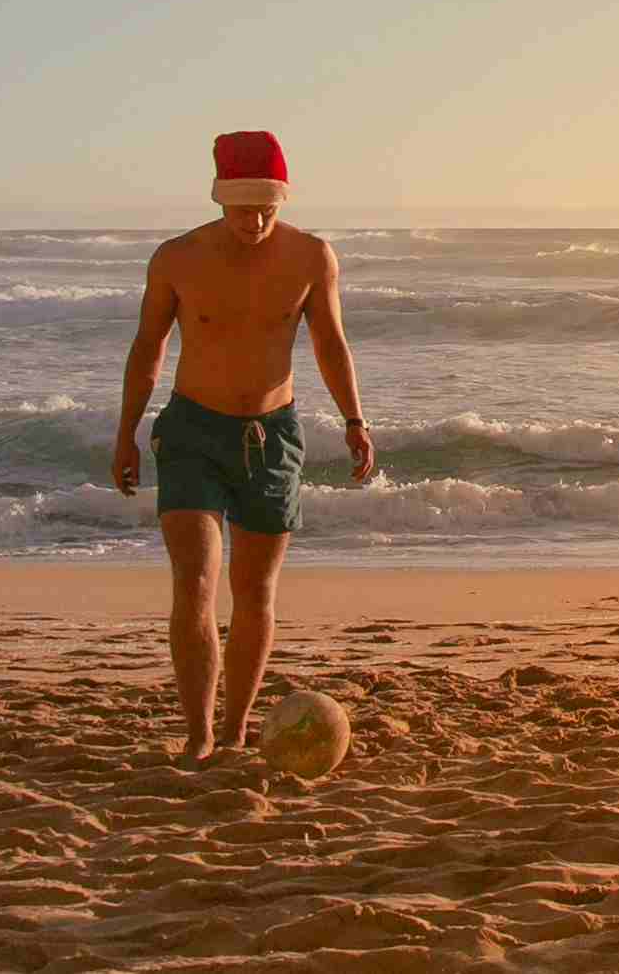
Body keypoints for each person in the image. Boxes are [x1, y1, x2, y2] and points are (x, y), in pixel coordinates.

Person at [111, 131, 376, 764]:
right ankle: (200, 735)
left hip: (271, 435)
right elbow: (148, 351)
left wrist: (354, 419)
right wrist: (126, 432)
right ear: (219, 199)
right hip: (191, 433)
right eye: (242, 207)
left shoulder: (312, 257)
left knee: (254, 590)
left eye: (268, 207)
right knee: (196, 580)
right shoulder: (177, 259)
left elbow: (330, 345)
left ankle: (234, 733)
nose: (255, 221)